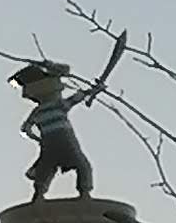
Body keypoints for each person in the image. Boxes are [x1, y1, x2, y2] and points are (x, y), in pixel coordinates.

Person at [14, 38, 126, 201]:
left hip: (57, 143)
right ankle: (69, 194)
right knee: (75, 167)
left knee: (61, 168)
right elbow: (25, 129)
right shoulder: (54, 107)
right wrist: (92, 90)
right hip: (59, 143)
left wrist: (93, 90)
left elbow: (25, 129)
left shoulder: (47, 109)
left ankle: (75, 194)